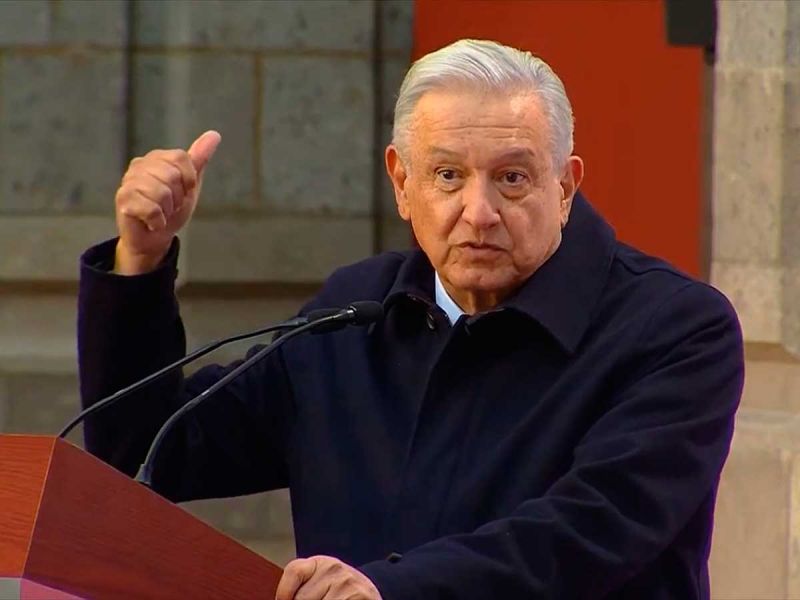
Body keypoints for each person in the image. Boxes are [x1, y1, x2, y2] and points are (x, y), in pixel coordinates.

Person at [78, 39, 744, 600]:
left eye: (512, 179)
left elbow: (590, 533)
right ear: (402, 183)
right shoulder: (354, 314)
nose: (479, 212)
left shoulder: (675, 329)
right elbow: (146, 452)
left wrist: (389, 590)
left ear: (565, 186)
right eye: (448, 176)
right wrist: (141, 259)